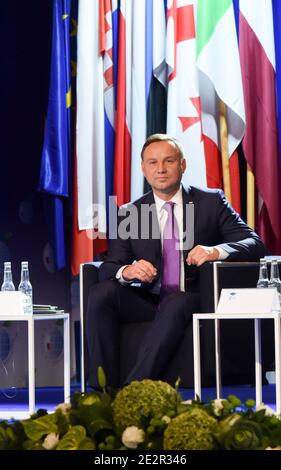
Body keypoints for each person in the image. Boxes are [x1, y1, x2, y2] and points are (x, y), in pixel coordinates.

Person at [86, 134, 265, 388]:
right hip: (150, 298)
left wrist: (215, 251)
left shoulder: (210, 202)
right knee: (101, 293)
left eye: (168, 161)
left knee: (176, 302)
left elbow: (254, 243)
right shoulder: (131, 212)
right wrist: (128, 270)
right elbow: (110, 266)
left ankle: (135, 388)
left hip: (193, 296)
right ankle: (102, 388)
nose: (160, 169)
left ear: (182, 165)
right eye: (152, 162)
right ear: (143, 169)